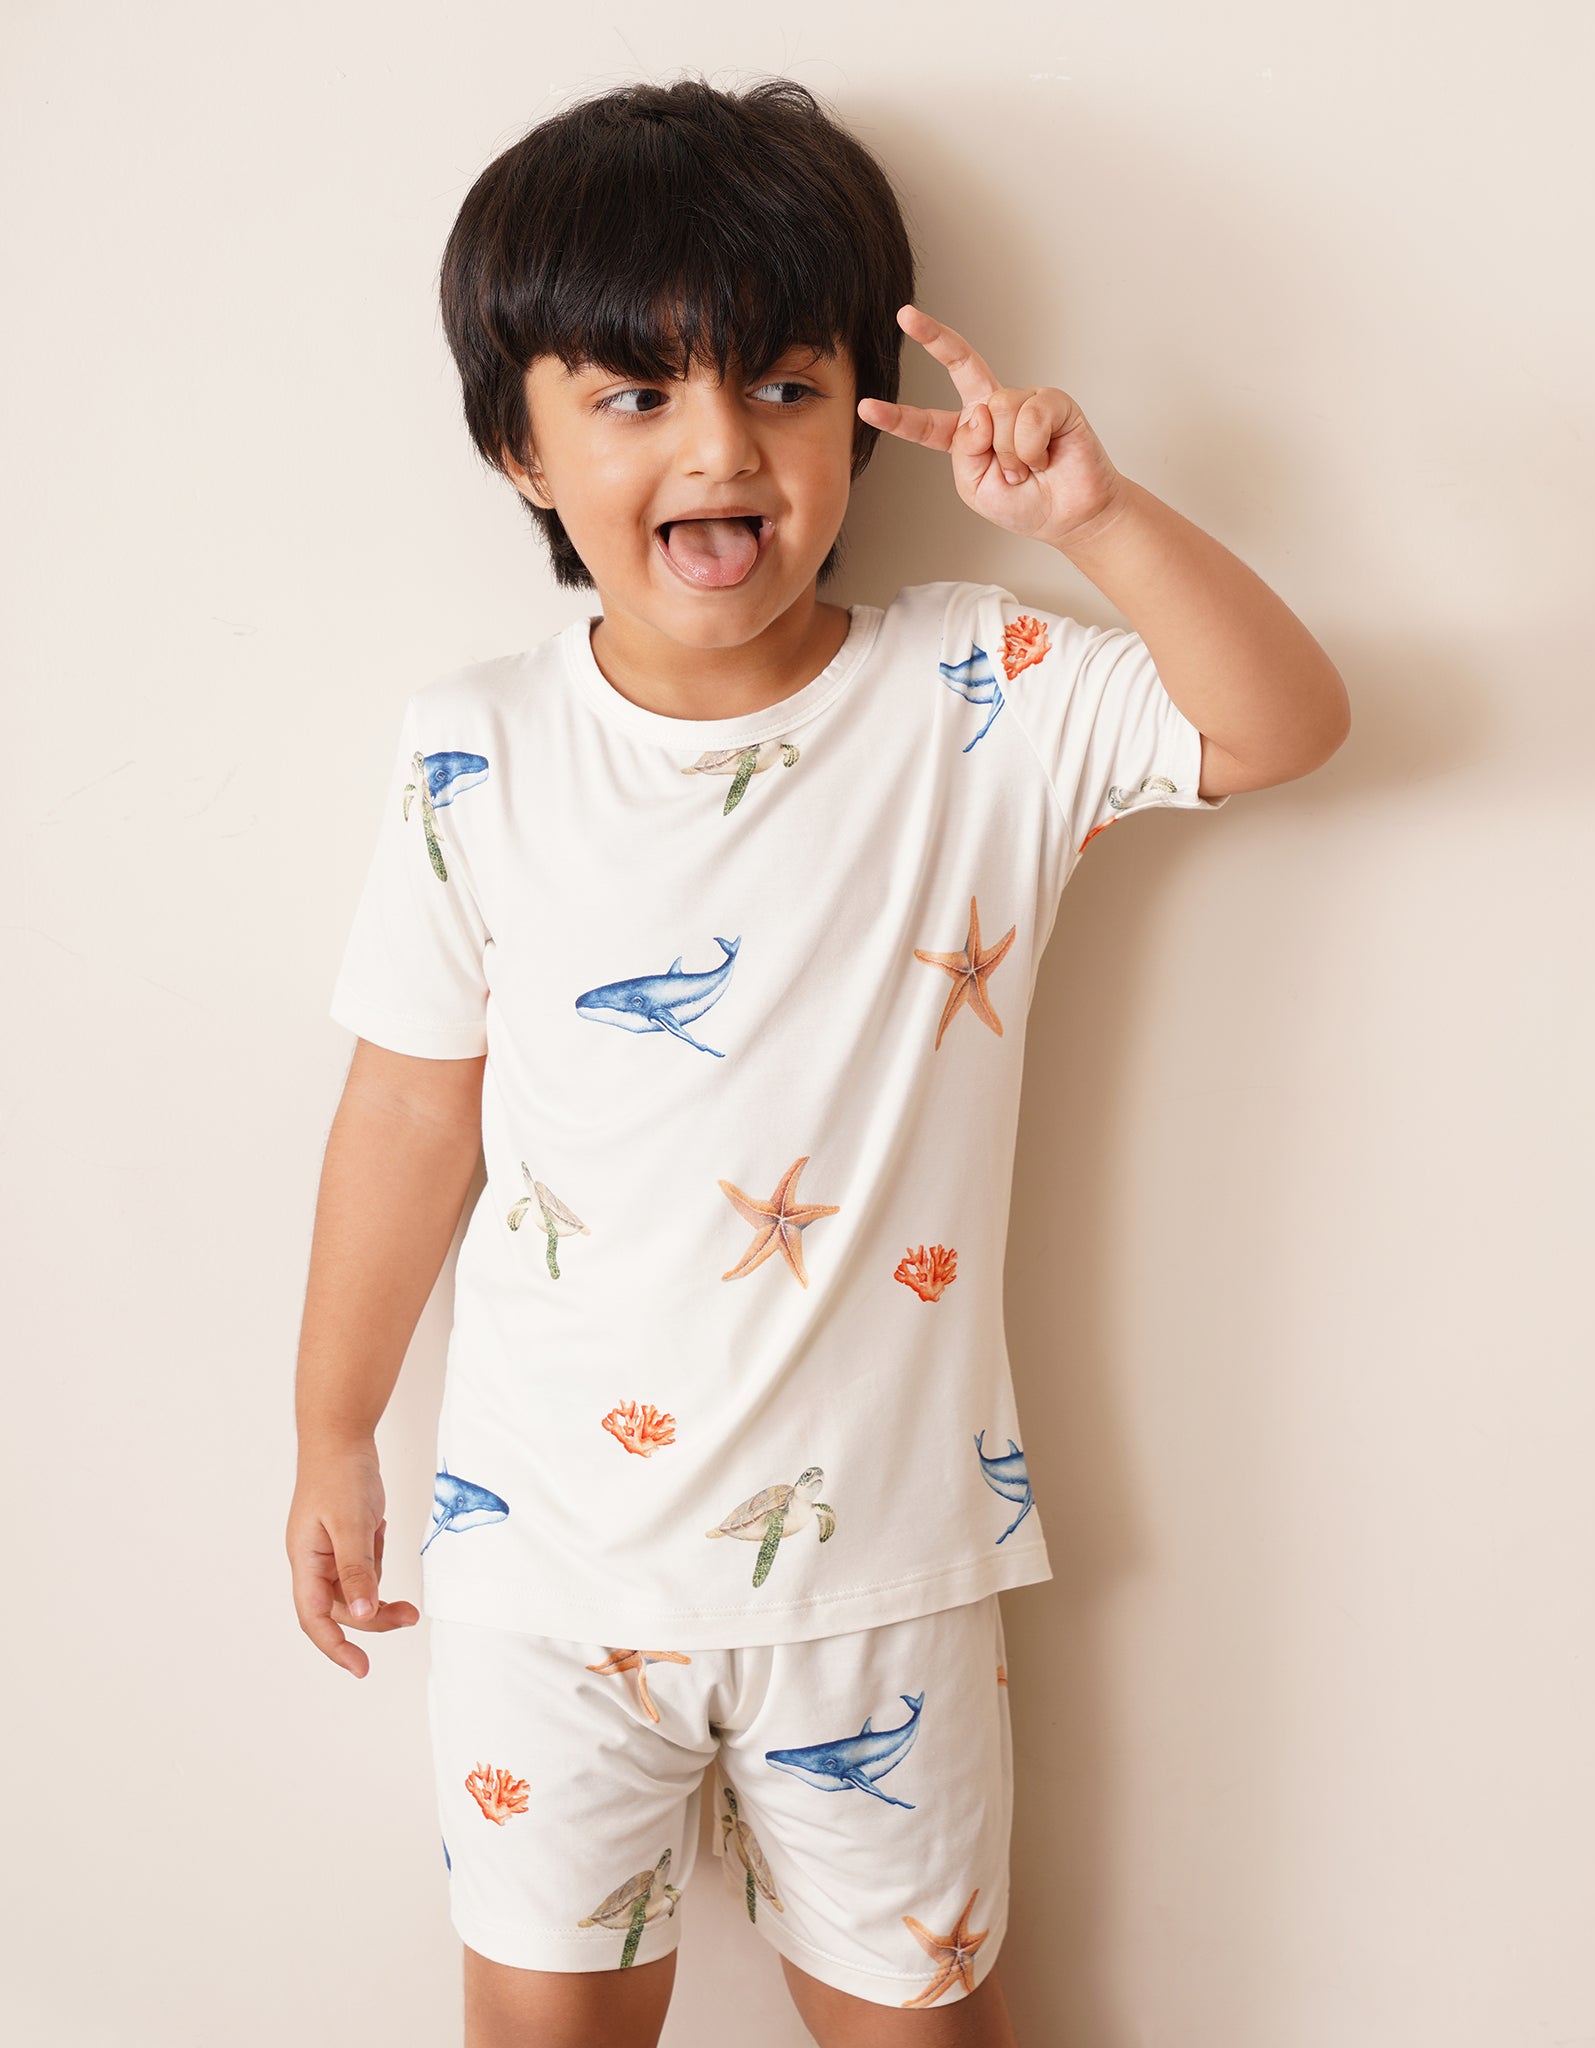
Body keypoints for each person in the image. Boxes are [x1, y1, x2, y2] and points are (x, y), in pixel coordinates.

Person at [285, 71, 1348, 2048]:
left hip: (886, 1565)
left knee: (922, 2025)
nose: (722, 444)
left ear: (863, 401)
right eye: (634, 393)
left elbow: (1280, 723)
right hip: (538, 1567)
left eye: (783, 382)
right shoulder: (474, 746)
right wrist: (329, 1426)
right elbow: (411, 1106)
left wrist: (1099, 523)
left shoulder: (985, 691)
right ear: (513, 445)